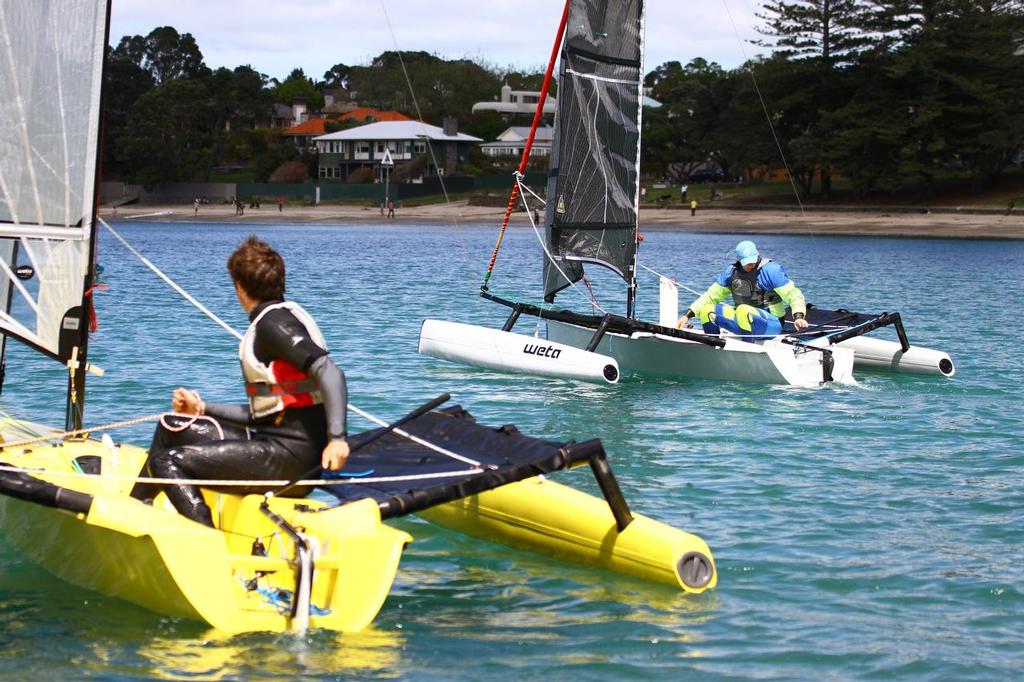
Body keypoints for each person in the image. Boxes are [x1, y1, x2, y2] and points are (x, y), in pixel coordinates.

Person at [130, 236, 350, 527]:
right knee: (171, 426)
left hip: (289, 461)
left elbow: (330, 372)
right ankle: (135, 506)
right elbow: (263, 414)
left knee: (166, 461)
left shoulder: (275, 325)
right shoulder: (275, 320)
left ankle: (206, 539)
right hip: (277, 447)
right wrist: (202, 408)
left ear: (240, 287)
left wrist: (337, 439)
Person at [677, 240, 810, 340]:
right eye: (747, 263)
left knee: (743, 310)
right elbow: (710, 296)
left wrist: (798, 316)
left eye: (753, 261)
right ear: (738, 260)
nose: (751, 265)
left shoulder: (772, 270)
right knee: (707, 310)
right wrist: (687, 315)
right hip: (743, 321)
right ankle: (712, 345)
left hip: (771, 324)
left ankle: (747, 346)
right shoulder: (730, 272)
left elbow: (794, 295)